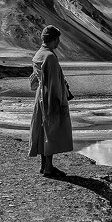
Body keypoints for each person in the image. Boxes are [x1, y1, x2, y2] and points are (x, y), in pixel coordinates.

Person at [29, 25, 74, 177]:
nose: (59, 42)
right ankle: (48, 167)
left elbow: (35, 81)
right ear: (53, 39)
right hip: (50, 98)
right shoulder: (50, 57)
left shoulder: (38, 55)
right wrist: (58, 103)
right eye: (58, 39)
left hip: (40, 97)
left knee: (42, 130)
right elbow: (54, 82)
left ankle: (44, 165)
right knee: (51, 130)